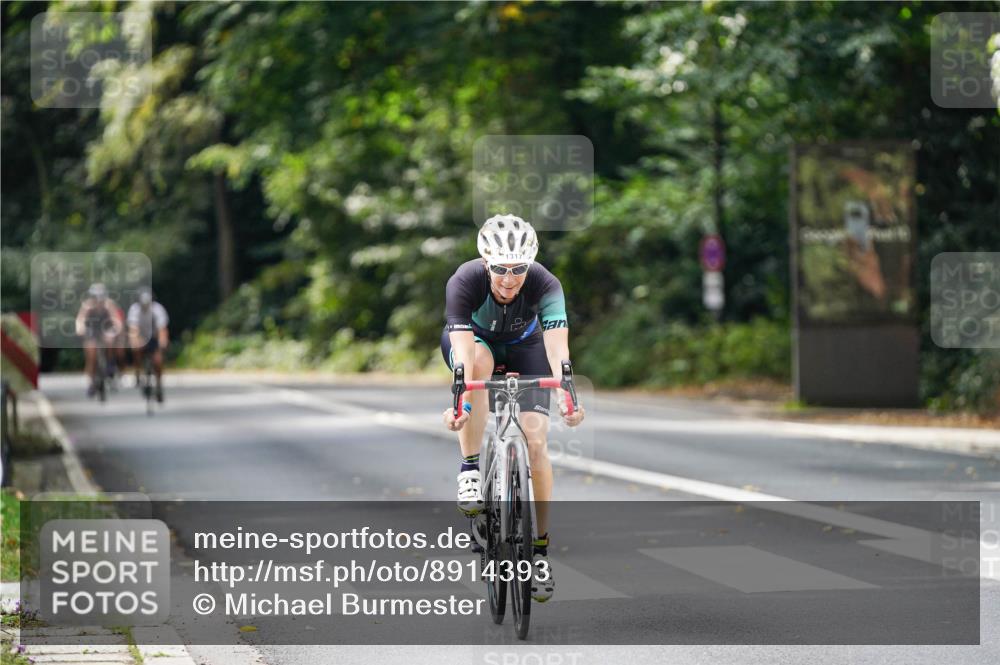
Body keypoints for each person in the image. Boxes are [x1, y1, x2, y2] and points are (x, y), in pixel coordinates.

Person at [440, 213, 585, 602]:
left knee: (536, 443)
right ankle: (470, 468)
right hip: (475, 344)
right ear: (486, 263)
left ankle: (539, 550)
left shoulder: (545, 283)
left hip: (526, 346)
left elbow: (558, 348)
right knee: (480, 368)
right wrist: (461, 402)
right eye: (501, 269)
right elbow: (465, 357)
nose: (509, 279)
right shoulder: (465, 280)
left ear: (530, 264)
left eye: (518, 269)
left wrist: (567, 397)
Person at [74, 283, 124, 397]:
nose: (98, 300)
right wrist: (80, 329)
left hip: (106, 329)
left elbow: (116, 319)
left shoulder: (109, 305)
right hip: (92, 331)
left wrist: (115, 329)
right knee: (90, 353)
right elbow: (80, 319)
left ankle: (110, 364)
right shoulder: (87, 306)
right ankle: (91, 382)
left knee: (110, 341)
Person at [127, 288, 169, 403]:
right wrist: (135, 341)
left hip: (154, 337)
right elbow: (133, 329)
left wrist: (162, 342)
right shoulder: (134, 310)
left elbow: (162, 329)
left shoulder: (158, 309)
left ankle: (159, 384)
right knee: (136, 350)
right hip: (141, 336)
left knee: (158, 361)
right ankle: (138, 372)